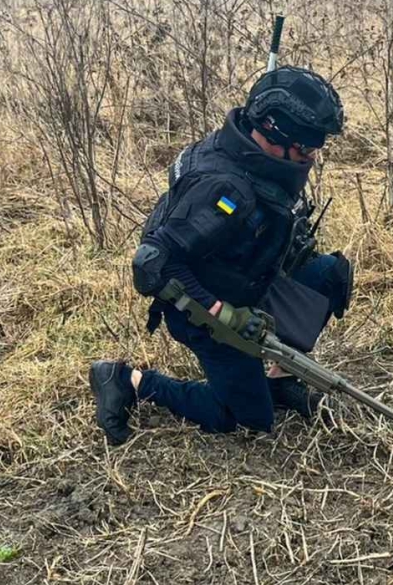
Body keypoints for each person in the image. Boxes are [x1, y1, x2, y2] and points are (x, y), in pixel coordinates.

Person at [88, 66, 352, 446]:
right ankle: (127, 380)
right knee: (247, 420)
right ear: (275, 132)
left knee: (330, 275)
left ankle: (278, 380)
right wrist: (220, 313)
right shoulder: (224, 190)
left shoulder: (246, 146)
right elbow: (153, 264)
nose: (310, 157)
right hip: (204, 311)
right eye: (307, 148)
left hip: (249, 280)